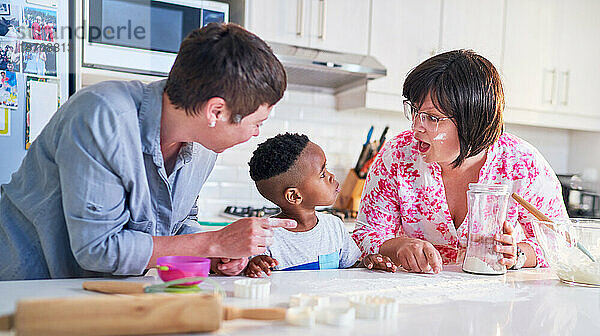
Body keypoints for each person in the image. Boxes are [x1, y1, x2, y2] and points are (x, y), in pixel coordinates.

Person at [0, 23, 295, 280]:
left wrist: (220, 253)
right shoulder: (103, 116)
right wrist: (212, 242)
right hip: (28, 288)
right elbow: (98, 249)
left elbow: (179, 224)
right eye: (257, 122)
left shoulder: (203, 146)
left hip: (98, 293)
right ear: (216, 111)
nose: (257, 132)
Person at [353, 49, 568, 274]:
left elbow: (561, 241)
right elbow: (365, 234)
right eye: (415, 112)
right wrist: (397, 247)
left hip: (496, 302)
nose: (416, 127)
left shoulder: (522, 164)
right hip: (416, 298)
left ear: (472, 121)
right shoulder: (397, 155)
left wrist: (517, 255)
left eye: (433, 118)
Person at [245, 133, 397, 277]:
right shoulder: (264, 238)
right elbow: (251, 278)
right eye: (322, 174)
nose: (331, 176)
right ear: (294, 196)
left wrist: (367, 263)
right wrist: (253, 266)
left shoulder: (334, 227)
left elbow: (349, 269)